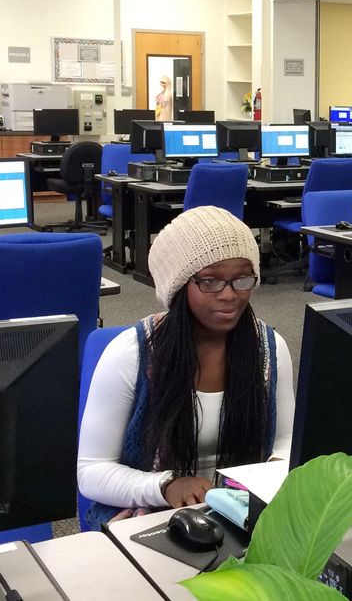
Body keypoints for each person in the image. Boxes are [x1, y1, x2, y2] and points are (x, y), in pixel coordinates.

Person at [78, 206, 294, 529]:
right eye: (210, 281)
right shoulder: (131, 355)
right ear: (179, 286)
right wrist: (165, 486)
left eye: (243, 279)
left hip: (245, 515)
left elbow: (286, 445)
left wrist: (264, 483)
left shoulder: (268, 348)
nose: (230, 295)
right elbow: (91, 472)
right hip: (150, 515)